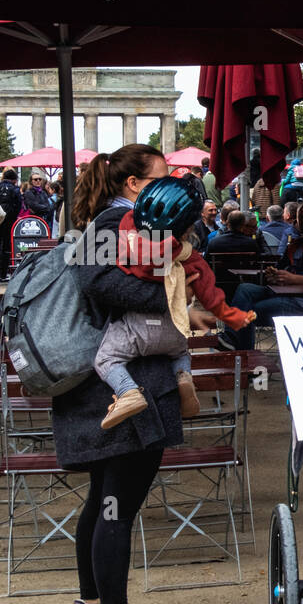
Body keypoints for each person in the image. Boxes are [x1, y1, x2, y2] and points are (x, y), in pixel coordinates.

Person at [60, 143, 179, 604]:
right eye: (162, 176)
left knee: (103, 500)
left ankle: (92, 603)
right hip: (125, 391)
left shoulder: (113, 224)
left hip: (103, 387)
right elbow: (100, 283)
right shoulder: (119, 225)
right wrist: (175, 298)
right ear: (134, 185)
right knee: (118, 508)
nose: (172, 183)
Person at [96, 176, 255, 429]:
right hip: (173, 329)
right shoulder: (189, 255)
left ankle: (127, 393)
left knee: (106, 359)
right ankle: (184, 377)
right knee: (181, 353)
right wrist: (231, 314)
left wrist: (132, 218)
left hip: (136, 329)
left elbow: (121, 248)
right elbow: (209, 293)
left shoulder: (134, 246)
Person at [221, 198, 303, 351]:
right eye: (301, 217)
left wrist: (295, 279)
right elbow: (280, 268)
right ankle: (232, 339)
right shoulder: (295, 244)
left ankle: (245, 359)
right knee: (244, 288)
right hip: (283, 293)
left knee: (248, 312)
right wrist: (272, 274)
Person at [0, 168, 23, 280]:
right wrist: (12, 216)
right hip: (9, 222)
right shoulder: (15, 189)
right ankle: (3, 274)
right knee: (6, 248)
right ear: (14, 180)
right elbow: (19, 205)